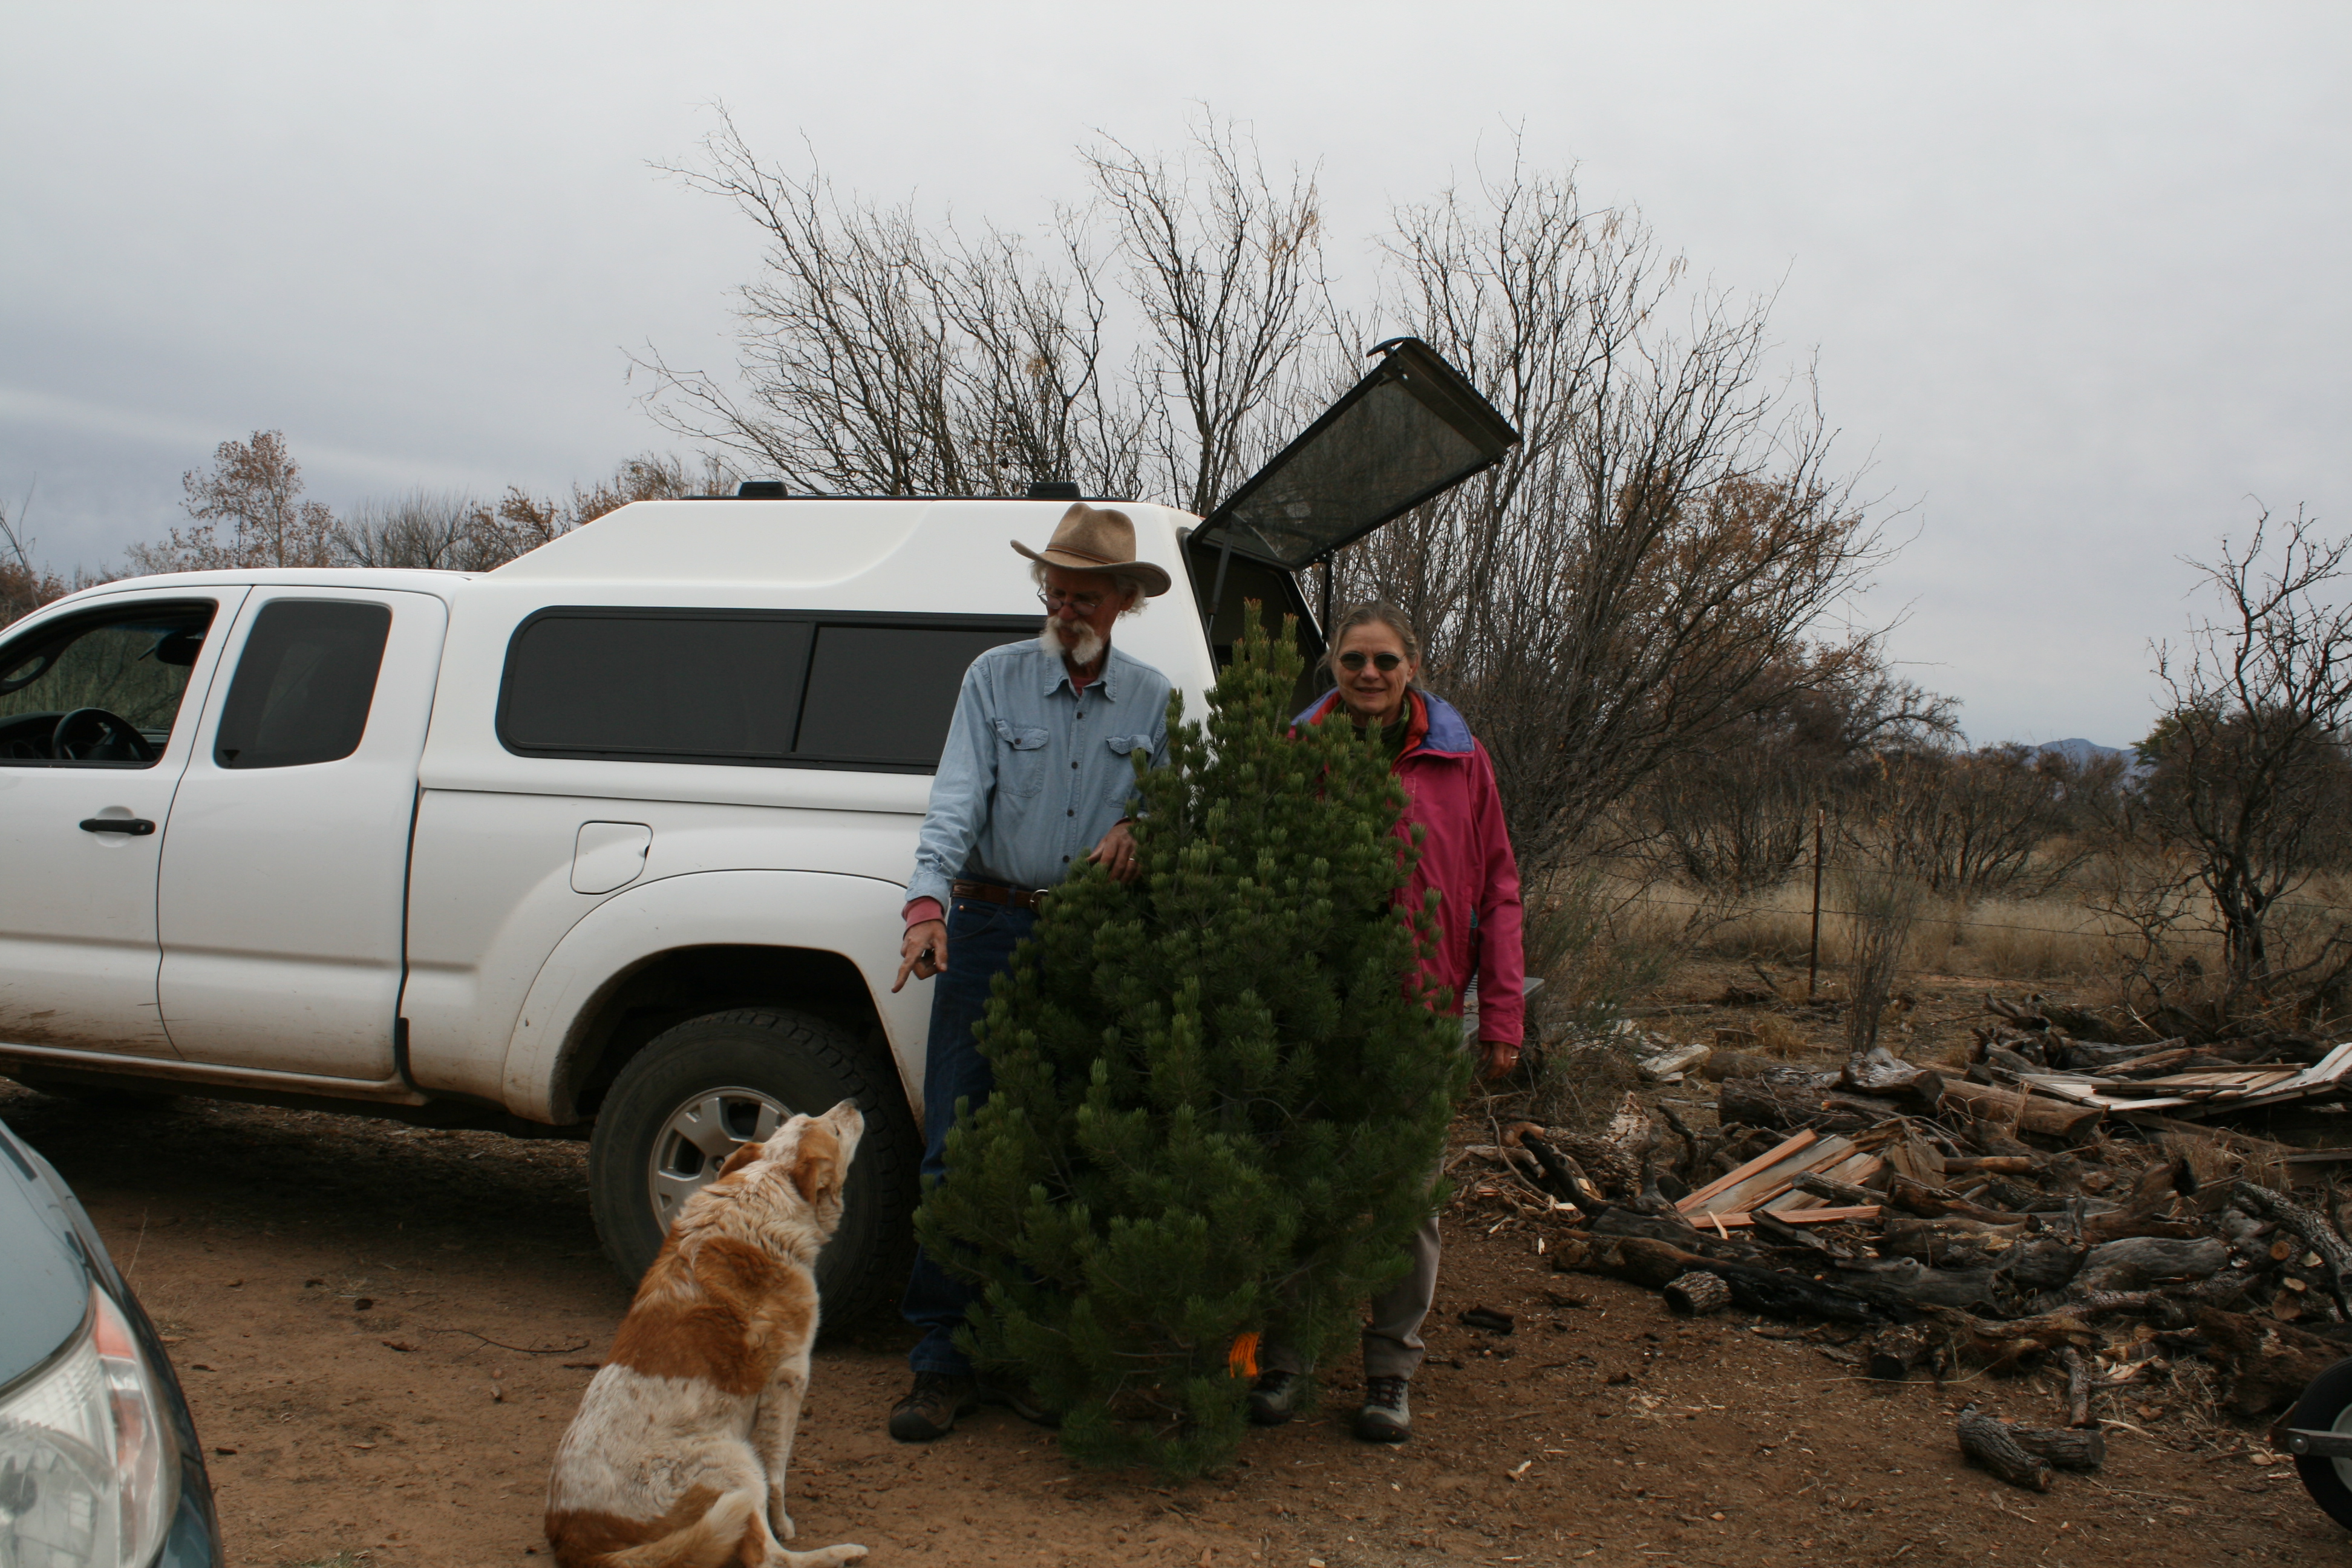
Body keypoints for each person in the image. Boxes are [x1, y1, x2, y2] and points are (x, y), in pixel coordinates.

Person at [886, 502, 1174, 1443]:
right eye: (1054, 587)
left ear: (1124, 601)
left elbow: (1173, 808)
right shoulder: (994, 679)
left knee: (1062, 1153)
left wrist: (1143, 828)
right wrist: (926, 908)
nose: (1065, 604)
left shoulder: (1153, 700)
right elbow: (957, 797)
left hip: (1092, 942)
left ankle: (1032, 1356)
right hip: (988, 930)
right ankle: (941, 1363)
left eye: (1084, 592)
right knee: (957, 1147)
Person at [1250, 601, 1524, 1444]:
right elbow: (1262, 880)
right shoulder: (1299, 753)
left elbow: (1497, 889)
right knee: (1303, 1195)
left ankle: (1389, 1375)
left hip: (1420, 1014)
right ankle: (1285, 1366)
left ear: (1413, 667)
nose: (1368, 675)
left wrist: (1502, 1014)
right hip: (1319, 1016)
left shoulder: (1459, 760)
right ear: (1333, 667)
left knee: (1408, 1204)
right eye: (1353, 661)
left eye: (1385, 662)